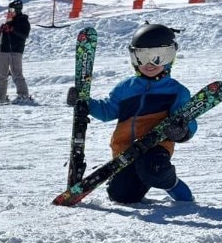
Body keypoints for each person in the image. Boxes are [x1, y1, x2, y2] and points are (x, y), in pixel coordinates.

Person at [65, 24, 197, 203]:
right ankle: (129, 182)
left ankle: (174, 186)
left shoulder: (177, 92)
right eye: (142, 57)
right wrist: (84, 102)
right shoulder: (126, 88)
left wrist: (182, 130)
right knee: (121, 196)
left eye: (158, 57)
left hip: (156, 148)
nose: (150, 64)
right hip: (125, 152)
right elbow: (107, 111)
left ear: (170, 57)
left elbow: (188, 119)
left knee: (154, 168)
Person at [0, 0, 31, 104]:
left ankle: (23, 95)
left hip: (15, 50)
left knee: (16, 73)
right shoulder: (9, 20)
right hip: (4, 49)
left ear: (17, 10)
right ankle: (1, 97)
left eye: (12, 9)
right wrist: (1, 31)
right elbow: (6, 31)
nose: (10, 11)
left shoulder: (23, 21)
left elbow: (24, 35)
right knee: (1, 74)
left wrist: (12, 30)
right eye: (9, 9)